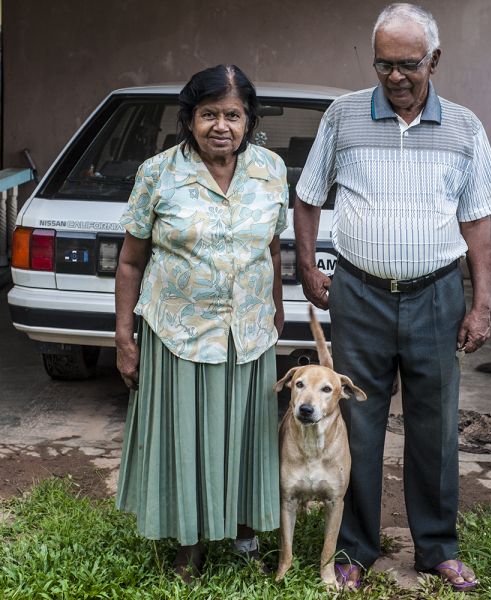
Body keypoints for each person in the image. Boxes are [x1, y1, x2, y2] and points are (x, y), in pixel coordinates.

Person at [294, 3, 491, 591]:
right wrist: (308, 266)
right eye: (383, 64)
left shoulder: (465, 127)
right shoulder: (342, 116)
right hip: (359, 294)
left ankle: (436, 546)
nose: (394, 77)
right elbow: (309, 196)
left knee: (434, 426)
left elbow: (479, 222)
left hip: (436, 294)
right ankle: (356, 546)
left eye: (407, 65)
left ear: (433, 60)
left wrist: (481, 301)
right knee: (357, 421)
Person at [114, 64, 288, 582]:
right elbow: (129, 261)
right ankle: (188, 542)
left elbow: (272, 249)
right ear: (189, 118)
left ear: (248, 120)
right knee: (187, 439)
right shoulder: (158, 173)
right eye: (209, 114)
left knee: (245, 434)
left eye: (233, 115)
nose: (221, 126)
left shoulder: (271, 171)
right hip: (178, 332)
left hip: (249, 332)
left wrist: (275, 313)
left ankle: (242, 532)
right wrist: (125, 339)